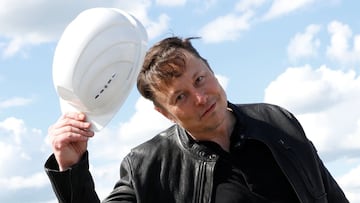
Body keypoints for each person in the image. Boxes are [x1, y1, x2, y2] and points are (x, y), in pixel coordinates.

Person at [45, 36, 349, 203]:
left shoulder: (278, 121)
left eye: (200, 79)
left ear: (211, 69)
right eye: (180, 97)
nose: (200, 98)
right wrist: (71, 169)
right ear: (164, 113)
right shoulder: (147, 166)